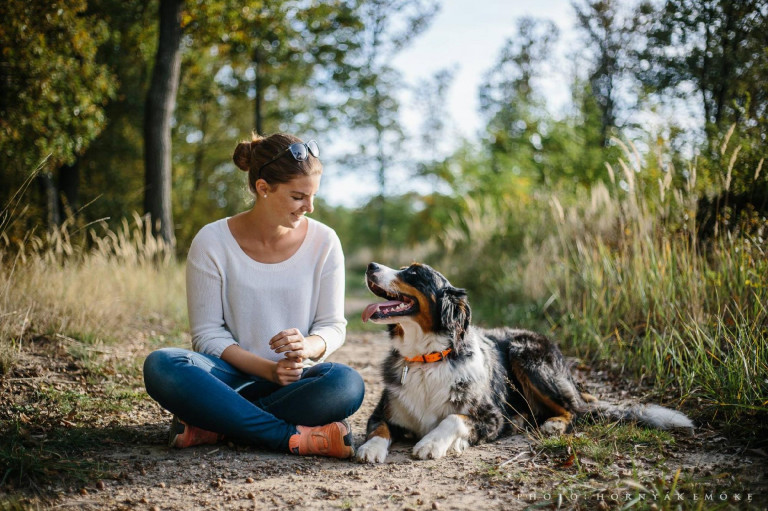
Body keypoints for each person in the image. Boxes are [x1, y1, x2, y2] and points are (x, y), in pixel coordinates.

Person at [143, 133, 364, 459]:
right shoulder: (212, 241)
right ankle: (289, 436)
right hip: (226, 377)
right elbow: (207, 335)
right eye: (298, 196)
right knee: (162, 365)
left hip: (295, 381)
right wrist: (266, 370)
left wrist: (307, 346)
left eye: (313, 195)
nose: (310, 207)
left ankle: (214, 421)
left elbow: (332, 326)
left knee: (346, 384)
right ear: (263, 188)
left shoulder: (325, 242)